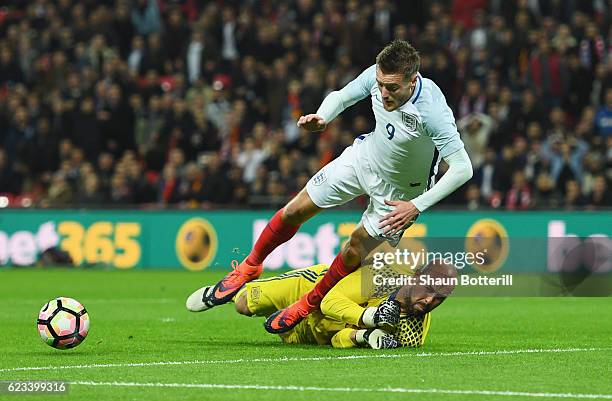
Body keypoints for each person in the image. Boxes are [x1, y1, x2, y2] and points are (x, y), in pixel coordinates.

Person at [186, 39, 472, 334]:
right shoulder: (378, 76)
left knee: (355, 248)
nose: (384, 93)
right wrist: (323, 116)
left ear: (413, 80)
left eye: (393, 87)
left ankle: (307, 303)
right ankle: (250, 266)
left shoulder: (433, 112)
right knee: (295, 209)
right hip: (364, 159)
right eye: (381, 85)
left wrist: (416, 205)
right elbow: (342, 95)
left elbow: (463, 168)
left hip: (400, 194)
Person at [187, 260, 457, 349]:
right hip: (316, 288)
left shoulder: (412, 334)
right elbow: (330, 300)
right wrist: (373, 317)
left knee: (283, 334)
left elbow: (339, 338)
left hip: (324, 329)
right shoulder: (383, 275)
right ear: (416, 278)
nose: (430, 301)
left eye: (439, 299)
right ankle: (228, 289)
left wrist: (361, 336)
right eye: (429, 290)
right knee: (244, 305)